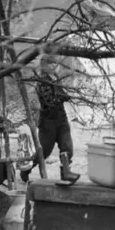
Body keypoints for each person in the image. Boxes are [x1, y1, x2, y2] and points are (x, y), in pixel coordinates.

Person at [20, 50, 80, 185]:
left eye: (55, 64)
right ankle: (26, 169)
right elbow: (50, 101)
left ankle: (65, 173)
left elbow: (63, 95)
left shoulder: (57, 79)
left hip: (61, 118)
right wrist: (63, 96)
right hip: (48, 121)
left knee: (67, 147)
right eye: (52, 64)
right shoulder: (42, 82)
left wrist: (65, 94)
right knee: (44, 151)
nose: (55, 66)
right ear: (45, 65)